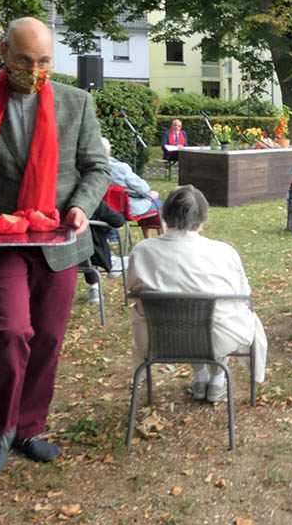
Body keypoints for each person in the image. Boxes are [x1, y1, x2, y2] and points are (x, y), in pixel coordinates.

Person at [0, 17, 111, 477]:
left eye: (44, 61)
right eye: (24, 60)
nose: (34, 70)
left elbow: (96, 169)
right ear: (4, 52)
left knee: (48, 339)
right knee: (10, 331)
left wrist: (79, 206)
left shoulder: (77, 102)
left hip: (59, 242)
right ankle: (1, 429)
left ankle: (29, 428)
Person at [127, 185, 267, 403]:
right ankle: (216, 380)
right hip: (217, 339)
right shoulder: (224, 252)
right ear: (203, 218)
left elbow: (132, 289)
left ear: (165, 215)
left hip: (156, 338)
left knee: (193, 319)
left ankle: (201, 377)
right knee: (223, 316)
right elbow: (243, 296)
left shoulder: (142, 250)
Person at [103, 137, 162, 234]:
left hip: (103, 209)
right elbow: (143, 189)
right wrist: (149, 194)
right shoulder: (119, 168)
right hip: (125, 209)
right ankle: (160, 239)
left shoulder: (87, 167)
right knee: (159, 204)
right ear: (109, 150)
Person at [84, 200, 126, 305]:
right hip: (93, 254)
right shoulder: (91, 201)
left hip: (59, 258)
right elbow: (119, 221)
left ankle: (94, 287)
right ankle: (111, 261)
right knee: (91, 238)